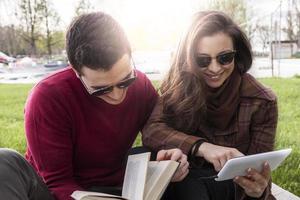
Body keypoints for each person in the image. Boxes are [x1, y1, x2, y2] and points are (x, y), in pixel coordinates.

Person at [0, 12, 189, 200]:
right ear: (75, 70)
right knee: (4, 161)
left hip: (117, 190)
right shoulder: (48, 98)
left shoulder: (141, 85)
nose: (117, 95)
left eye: (125, 81)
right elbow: (57, 183)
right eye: (100, 90)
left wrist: (168, 157)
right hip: (56, 193)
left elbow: (157, 127)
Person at [143, 11, 278, 200]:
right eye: (202, 60)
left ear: (237, 54)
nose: (214, 69)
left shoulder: (262, 101)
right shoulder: (178, 86)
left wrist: (258, 191)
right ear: (188, 59)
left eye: (225, 58)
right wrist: (203, 147)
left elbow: (259, 173)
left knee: (189, 187)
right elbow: (151, 130)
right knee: (142, 158)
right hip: (182, 177)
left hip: (229, 188)